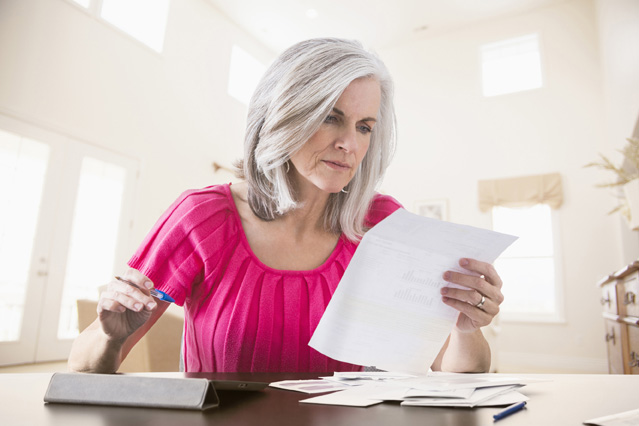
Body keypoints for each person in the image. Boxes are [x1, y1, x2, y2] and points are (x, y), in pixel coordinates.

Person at [68, 38, 503, 374]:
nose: (349, 144)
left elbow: (457, 372)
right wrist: (110, 339)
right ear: (284, 116)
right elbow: (84, 366)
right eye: (330, 117)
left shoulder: (382, 224)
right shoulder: (201, 218)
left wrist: (466, 328)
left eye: (364, 126)